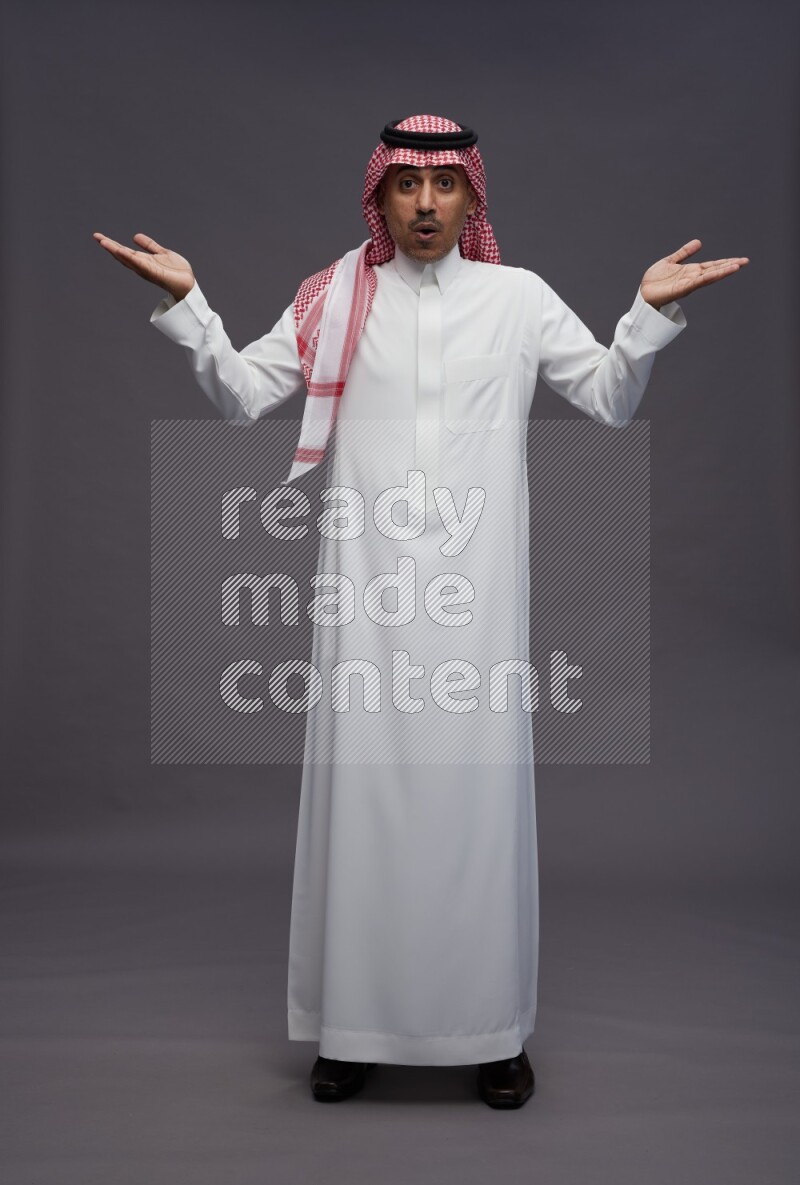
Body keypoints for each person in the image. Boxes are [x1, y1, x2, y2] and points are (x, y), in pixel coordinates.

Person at [93, 114, 748, 1109]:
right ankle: (349, 1032)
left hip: (477, 606)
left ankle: (492, 1036)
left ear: (473, 198)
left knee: (476, 814)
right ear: (380, 197)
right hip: (363, 600)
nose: (427, 203)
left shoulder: (516, 299)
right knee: (361, 809)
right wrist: (190, 303)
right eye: (408, 185)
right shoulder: (334, 298)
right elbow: (237, 395)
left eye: (446, 185)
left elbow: (609, 397)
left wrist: (644, 315)